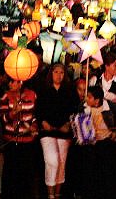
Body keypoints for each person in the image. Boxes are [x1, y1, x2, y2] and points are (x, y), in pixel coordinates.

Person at [35, 63, 78, 199]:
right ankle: (50, 193)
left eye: (61, 73)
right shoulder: (44, 89)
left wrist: (68, 124)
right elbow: (38, 109)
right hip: (47, 131)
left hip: (64, 132)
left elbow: (75, 110)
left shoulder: (70, 90)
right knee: (52, 160)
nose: (59, 75)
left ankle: (57, 193)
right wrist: (43, 121)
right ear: (51, 73)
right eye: (56, 72)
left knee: (61, 163)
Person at [0, 79, 38, 199]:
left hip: (27, 141)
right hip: (11, 140)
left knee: (25, 174)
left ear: (21, 82)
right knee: (10, 173)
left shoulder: (32, 94)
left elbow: (36, 115)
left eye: (13, 82)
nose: (10, 84)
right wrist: (13, 113)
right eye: (9, 82)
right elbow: (2, 119)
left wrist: (34, 126)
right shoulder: (6, 96)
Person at [88, 52, 116, 125]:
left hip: (114, 118)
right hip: (96, 117)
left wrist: (103, 93)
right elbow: (90, 99)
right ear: (106, 66)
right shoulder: (95, 79)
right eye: (115, 65)